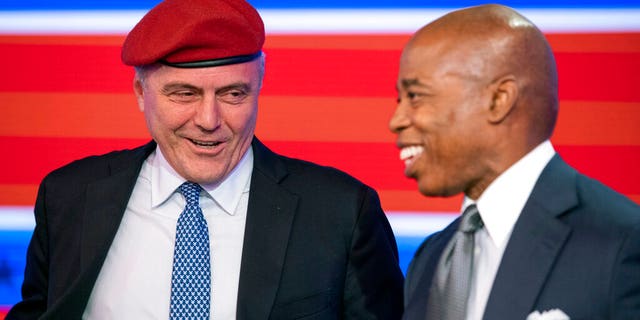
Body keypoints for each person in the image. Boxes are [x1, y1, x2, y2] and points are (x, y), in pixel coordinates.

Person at [7, 0, 404, 319]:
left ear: (260, 84)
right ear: (140, 92)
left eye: (234, 94)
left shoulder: (342, 212)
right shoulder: (67, 196)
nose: (209, 121)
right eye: (184, 94)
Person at [390, 4, 640, 320]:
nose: (396, 120)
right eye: (399, 100)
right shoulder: (431, 258)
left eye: (415, 96)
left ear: (498, 100)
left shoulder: (622, 241)